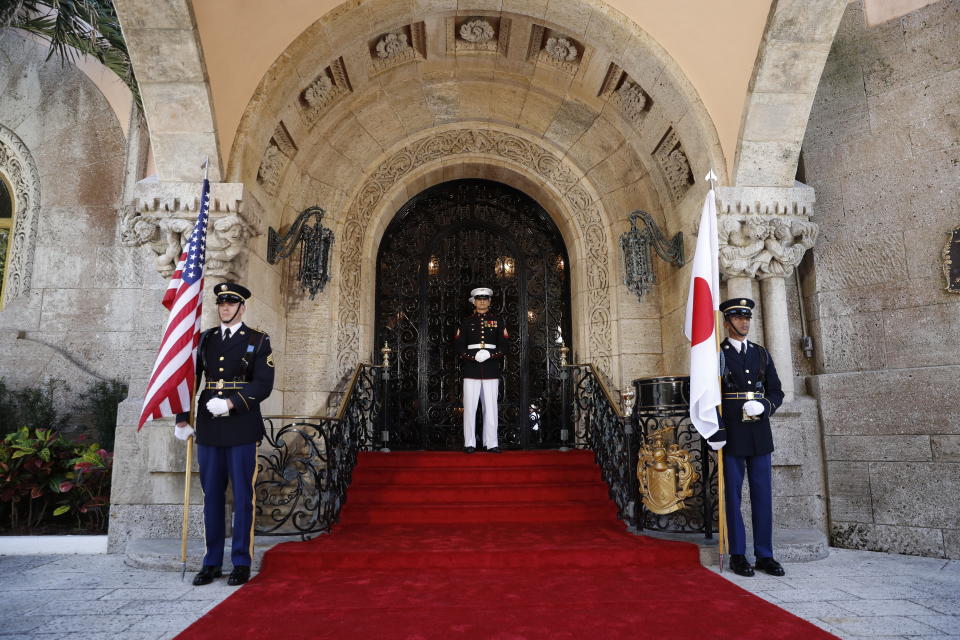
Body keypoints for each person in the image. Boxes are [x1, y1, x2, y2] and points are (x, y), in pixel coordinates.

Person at [174, 282, 275, 586]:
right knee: (212, 496)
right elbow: (190, 380)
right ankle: (212, 562)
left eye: (232, 304)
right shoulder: (205, 340)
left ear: (242, 307)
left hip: (241, 424)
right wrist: (182, 418)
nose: (226, 308)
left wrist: (231, 403)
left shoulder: (258, 340)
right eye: (221, 304)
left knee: (243, 495)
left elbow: (263, 384)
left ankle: (241, 561)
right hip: (209, 426)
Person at [716, 297, 785, 577]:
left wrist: (765, 406)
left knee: (762, 495)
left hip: (759, 433)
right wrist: (716, 430)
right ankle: (738, 554)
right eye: (738, 318)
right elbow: (706, 396)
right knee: (732, 496)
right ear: (727, 322)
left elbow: (776, 390)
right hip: (731, 433)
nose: (745, 323)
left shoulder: (761, 353)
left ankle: (765, 554)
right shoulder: (716, 354)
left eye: (747, 318)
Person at [454, 287, 509, 453]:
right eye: (479, 299)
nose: (482, 301)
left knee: (491, 407)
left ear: (490, 301)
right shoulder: (466, 322)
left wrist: (491, 354)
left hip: (491, 368)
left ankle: (491, 443)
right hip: (471, 369)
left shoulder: (498, 321)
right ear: (474, 302)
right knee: (470, 407)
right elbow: (458, 345)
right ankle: (469, 443)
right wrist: (472, 356)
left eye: (485, 299)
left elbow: (505, 345)